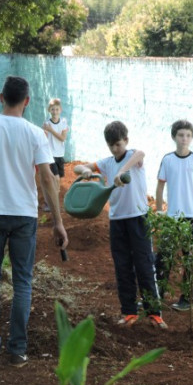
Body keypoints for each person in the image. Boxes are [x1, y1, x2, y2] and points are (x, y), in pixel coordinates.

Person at [0, 76, 68, 367]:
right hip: (24, 215)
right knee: (23, 281)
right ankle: (18, 349)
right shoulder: (36, 133)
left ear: (0, 97)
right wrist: (58, 222)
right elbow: (47, 178)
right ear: (27, 101)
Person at [74, 121, 166, 329]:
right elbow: (82, 167)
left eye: (118, 144)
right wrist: (85, 171)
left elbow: (140, 154)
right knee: (122, 266)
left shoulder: (134, 158)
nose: (116, 149)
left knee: (144, 264)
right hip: (117, 220)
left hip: (139, 218)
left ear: (126, 140)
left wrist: (121, 171)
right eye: (112, 146)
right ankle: (129, 312)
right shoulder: (106, 162)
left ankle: (154, 313)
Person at [154, 120, 193, 312]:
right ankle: (158, 293)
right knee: (164, 256)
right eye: (181, 135)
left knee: (190, 258)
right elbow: (160, 185)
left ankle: (188, 298)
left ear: (191, 138)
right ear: (174, 137)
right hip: (172, 218)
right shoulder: (168, 159)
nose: (184, 139)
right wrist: (160, 211)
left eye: (188, 135)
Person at [42, 98, 69, 212]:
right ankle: (52, 203)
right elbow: (44, 137)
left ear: (60, 110)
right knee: (55, 178)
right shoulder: (47, 123)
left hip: (60, 154)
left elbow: (62, 138)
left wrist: (51, 130)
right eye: (52, 109)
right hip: (50, 155)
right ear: (49, 110)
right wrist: (47, 130)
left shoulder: (63, 122)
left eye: (57, 109)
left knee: (58, 182)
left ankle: (52, 202)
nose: (55, 111)